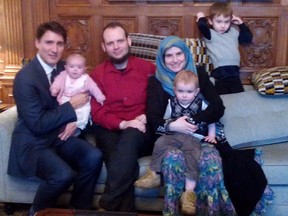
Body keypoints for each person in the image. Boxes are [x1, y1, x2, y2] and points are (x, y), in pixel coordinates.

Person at [146, 36, 273, 216]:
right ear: (161, 58)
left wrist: (192, 121)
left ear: (186, 54)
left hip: (202, 135)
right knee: (172, 159)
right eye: (169, 55)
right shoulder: (156, 82)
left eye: (179, 53)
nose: (175, 60)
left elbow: (217, 108)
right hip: (171, 138)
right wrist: (174, 125)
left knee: (211, 160)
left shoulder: (199, 75)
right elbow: (153, 120)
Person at [7, 21, 103, 216]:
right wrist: (70, 108)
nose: (54, 49)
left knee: (94, 156)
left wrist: (73, 119)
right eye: (49, 42)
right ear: (37, 43)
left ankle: (78, 210)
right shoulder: (25, 78)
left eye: (59, 44)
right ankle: (37, 212)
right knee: (63, 175)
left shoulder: (64, 67)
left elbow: (78, 97)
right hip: (33, 142)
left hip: (57, 135)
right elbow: (37, 124)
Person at [89, 22, 156, 212]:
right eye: (110, 43)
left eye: (120, 40)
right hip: (110, 129)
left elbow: (160, 100)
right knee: (120, 163)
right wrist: (123, 123)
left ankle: (107, 204)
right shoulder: (97, 74)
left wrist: (146, 116)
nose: (116, 46)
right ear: (104, 47)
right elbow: (97, 113)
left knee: (131, 135)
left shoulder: (147, 69)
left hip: (141, 130)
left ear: (129, 41)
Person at [134, 70, 217, 215]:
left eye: (189, 91)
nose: (184, 95)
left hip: (193, 137)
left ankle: (189, 194)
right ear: (174, 90)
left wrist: (211, 135)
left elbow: (211, 119)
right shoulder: (171, 102)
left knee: (193, 157)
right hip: (174, 135)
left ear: (196, 91)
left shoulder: (201, 103)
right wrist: (168, 125)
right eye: (181, 91)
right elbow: (165, 120)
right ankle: (154, 174)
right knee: (159, 143)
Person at [196, 2, 253, 95]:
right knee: (222, 95)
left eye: (226, 22)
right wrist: (201, 17)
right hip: (220, 71)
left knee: (239, 95)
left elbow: (247, 38)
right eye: (218, 21)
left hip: (235, 71)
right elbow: (202, 25)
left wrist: (241, 24)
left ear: (231, 21)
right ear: (210, 21)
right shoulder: (210, 34)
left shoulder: (233, 32)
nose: (223, 25)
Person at [50, 53, 105, 136]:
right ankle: (64, 128)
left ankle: (77, 128)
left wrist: (100, 97)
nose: (75, 69)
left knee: (81, 115)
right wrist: (55, 89)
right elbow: (57, 82)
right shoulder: (63, 75)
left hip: (81, 104)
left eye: (79, 67)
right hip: (65, 100)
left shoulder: (86, 79)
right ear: (66, 67)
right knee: (63, 115)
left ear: (85, 69)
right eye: (72, 67)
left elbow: (94, 88)